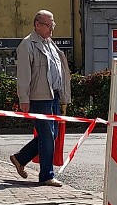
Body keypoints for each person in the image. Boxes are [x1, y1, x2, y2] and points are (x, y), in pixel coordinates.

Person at [10, 10, 71, 187]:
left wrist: (63, 95)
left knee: (51, 135)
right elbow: (23, 75)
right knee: (47, 136)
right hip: (38, 97)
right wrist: (24, 98)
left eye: (53, 24)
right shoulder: (27, 45)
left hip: (53, 95)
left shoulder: (50, 44)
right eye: (48, 25)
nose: (52, 28)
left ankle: (20, 158)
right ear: (37, 25)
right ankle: (46, 175)